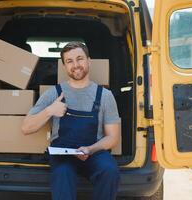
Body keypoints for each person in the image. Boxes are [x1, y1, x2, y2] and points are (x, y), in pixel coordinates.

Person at [21, 42, 121, 200]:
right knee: (62, 174)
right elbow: (26, 128)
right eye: (69, 61)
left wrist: (90, 149)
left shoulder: (105, 96)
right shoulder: (54, 93)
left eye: (80, 59)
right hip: (63, 154)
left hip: (93, 152)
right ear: (64, 66)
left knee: (110, 170)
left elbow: (113, 137)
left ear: (89, 61)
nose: (76, 65)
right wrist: (50, 111)